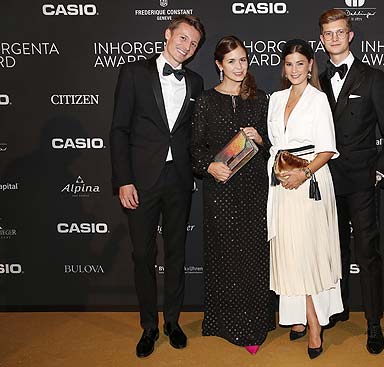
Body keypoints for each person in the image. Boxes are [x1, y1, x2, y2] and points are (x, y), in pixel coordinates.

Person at [110, 15, 205, 358]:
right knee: (142, 255)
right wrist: (123, 180)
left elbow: (196, 135)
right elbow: (119, 130)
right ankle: (149, 326)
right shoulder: (135, 72)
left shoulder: (195, 81)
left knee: (177, 254)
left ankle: (173, 322)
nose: (186, 47)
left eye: (193, 43)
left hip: (179, 180)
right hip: (141, 180)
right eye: (182, 38)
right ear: (168, 35)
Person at [318, 9, 384, 354]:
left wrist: (378, 173)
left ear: (350, 35)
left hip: (362, 182)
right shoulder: (316, 81)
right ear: (321, 39)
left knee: (367, 254)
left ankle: (373, 323)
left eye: (340, 32)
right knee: (332, 252)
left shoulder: (372, 79)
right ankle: (339, 308)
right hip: (325, 180)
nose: (335, 38)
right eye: (328, 33)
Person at [191, 35, 275, 355]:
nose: (239, 67)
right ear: (219, 65)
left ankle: (254, 325)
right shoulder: (205, 101)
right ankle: (224, 323)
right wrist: (210, 167)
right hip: (221, 192)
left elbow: (276, 145)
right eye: (231, 61)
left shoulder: (261, 99)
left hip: (255, 190)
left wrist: (262, 139)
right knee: (225, 259)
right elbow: (195, 150)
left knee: (254, 259)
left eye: (243, 59)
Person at [267, 39, 343, 359]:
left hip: (310, 182)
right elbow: (272, 143)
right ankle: (297, 317)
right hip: (282, 186)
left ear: (311, 64)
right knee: (290, 254)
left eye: (300, 63)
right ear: (283, 68)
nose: (294, 70)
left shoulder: (319, 99)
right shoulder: (276, 99)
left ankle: (314, 325)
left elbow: (327, 148)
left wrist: (303, 174)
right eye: (289, 64)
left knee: (308, 256)